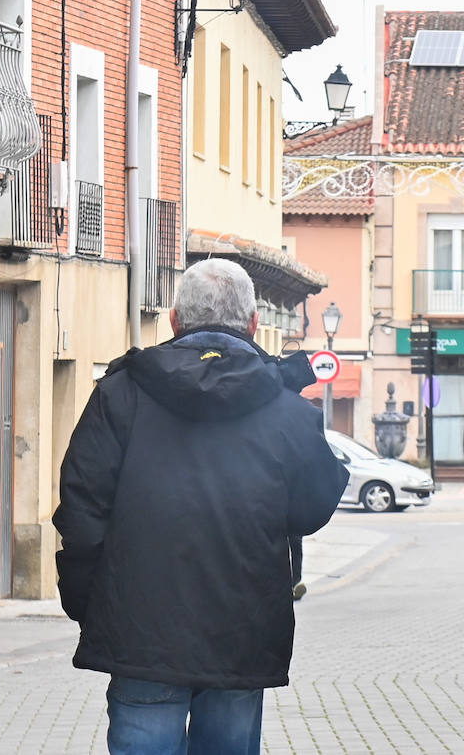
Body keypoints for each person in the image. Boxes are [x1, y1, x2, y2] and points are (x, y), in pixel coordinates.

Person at [53, 259, 349, 755]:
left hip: (138, 629)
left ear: (174, 320)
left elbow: (81, 506)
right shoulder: (286, 410)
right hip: (243, 628)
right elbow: (314, 507)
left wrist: (87, 601)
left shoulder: (120, 393)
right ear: (254, 323)